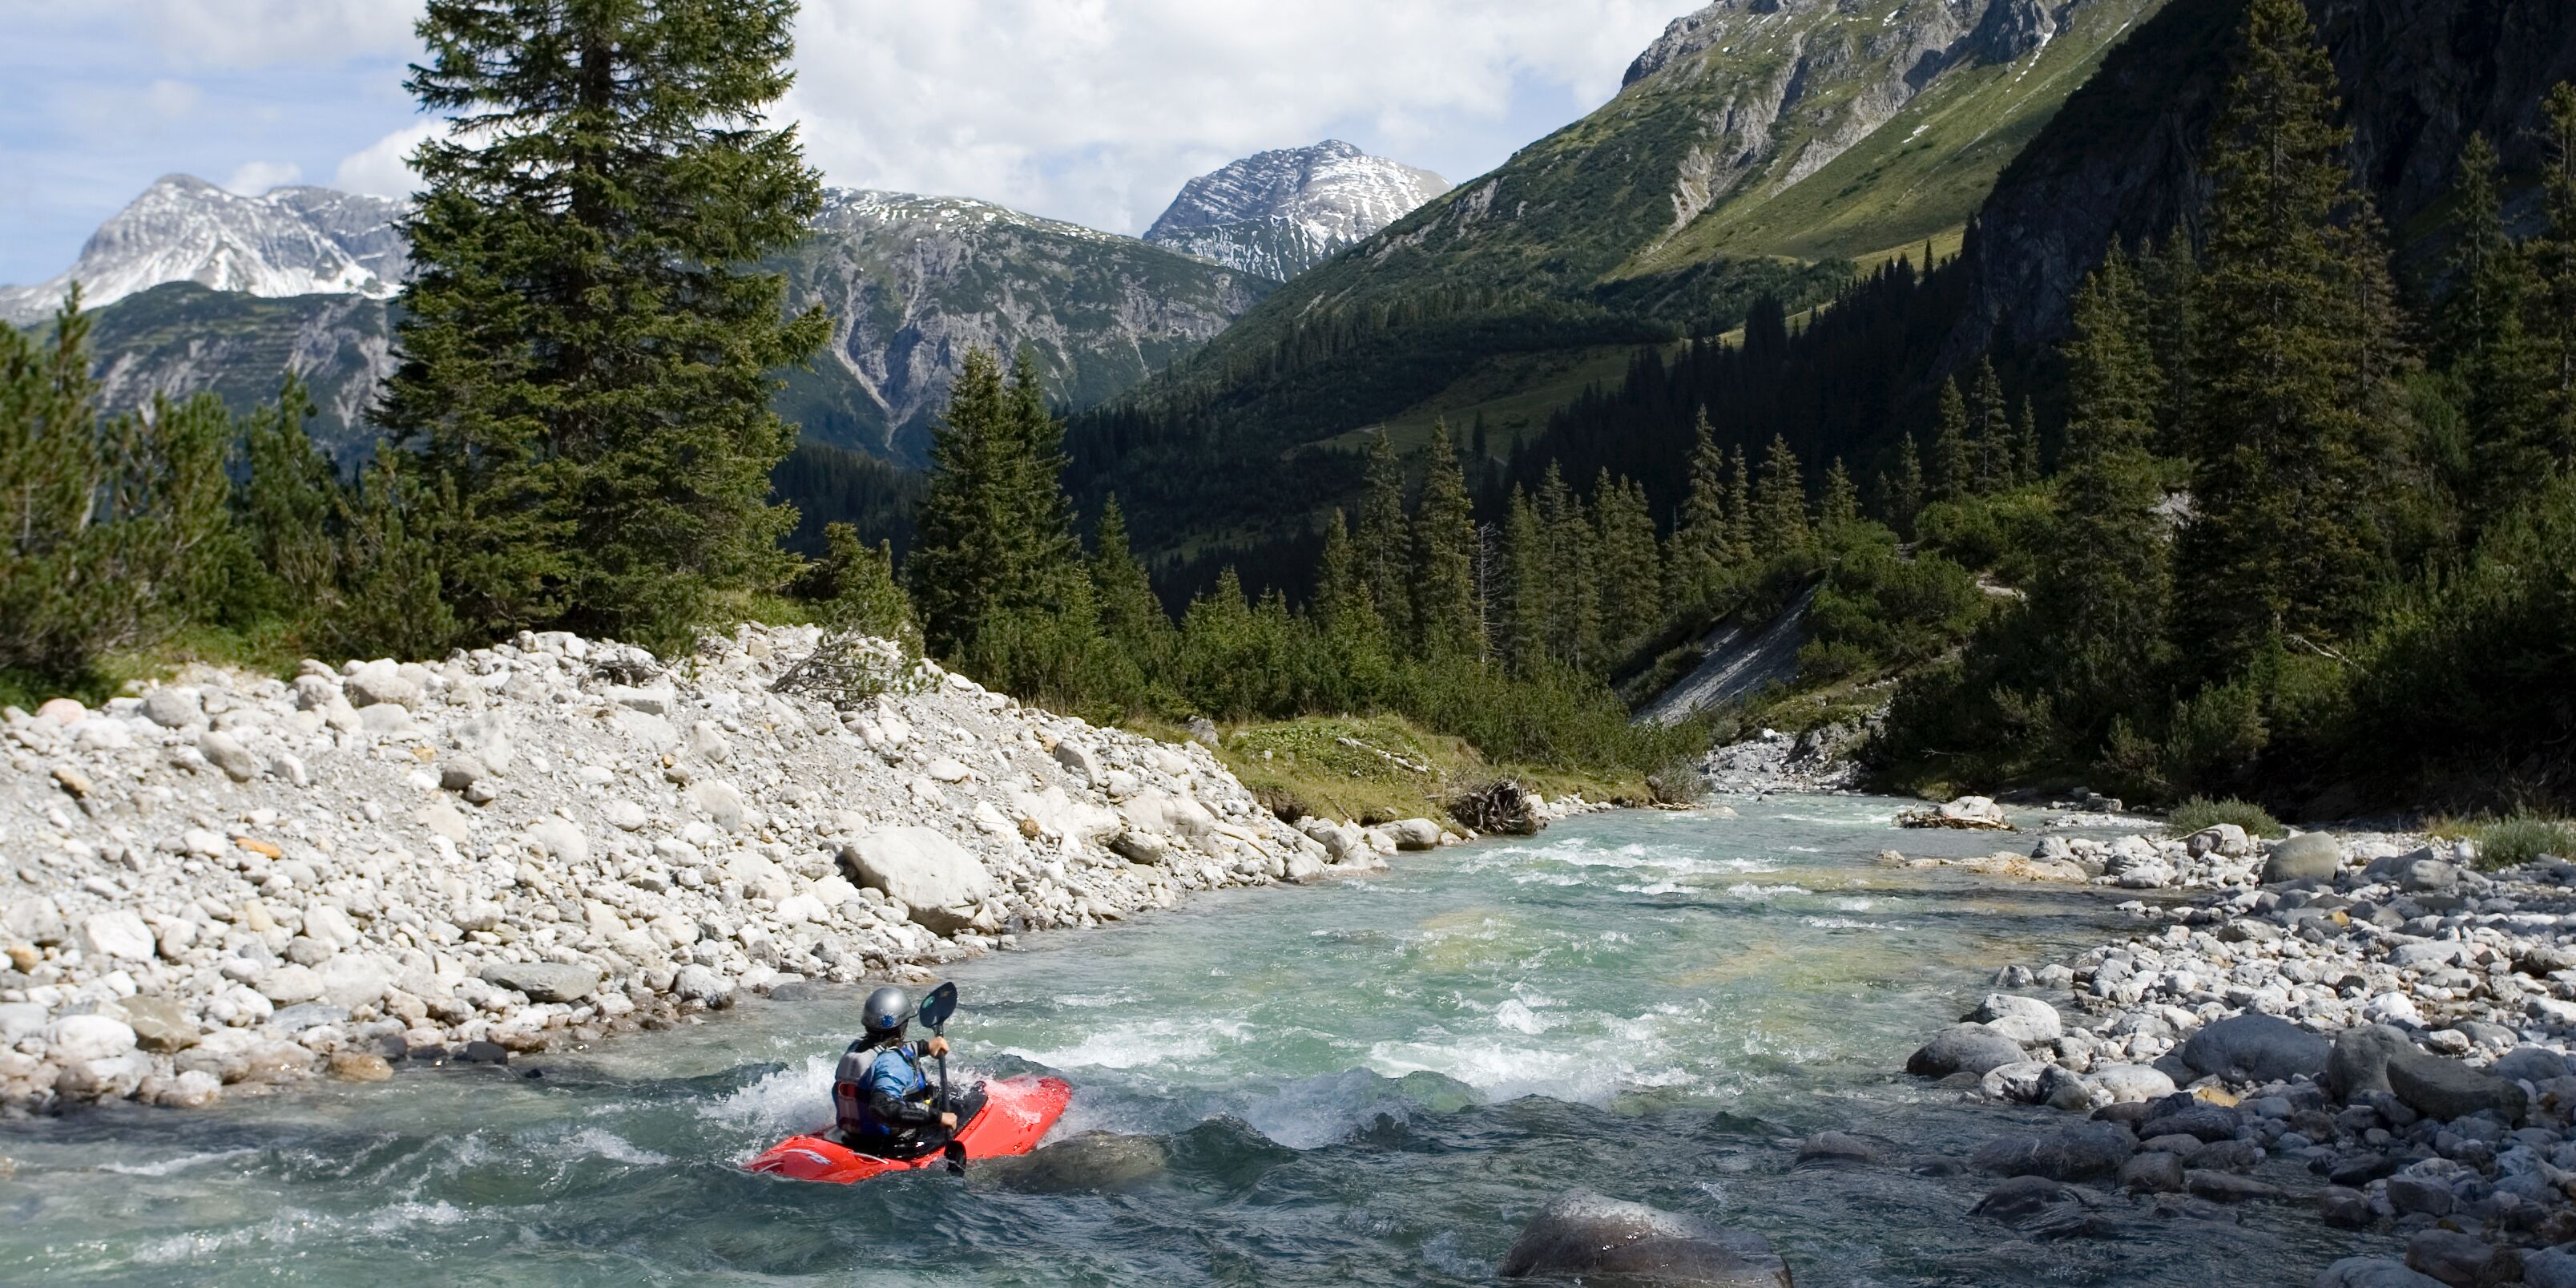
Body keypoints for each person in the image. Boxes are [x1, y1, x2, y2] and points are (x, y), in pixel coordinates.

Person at [831, 986, 956, 1156]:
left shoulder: (856, 1049)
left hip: (852, 1138)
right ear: (902, 1026)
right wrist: (939, 1117)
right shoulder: (892, 1062)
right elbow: (883, 1108)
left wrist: (925, 1047)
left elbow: (891, 1050)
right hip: (895, 1145)